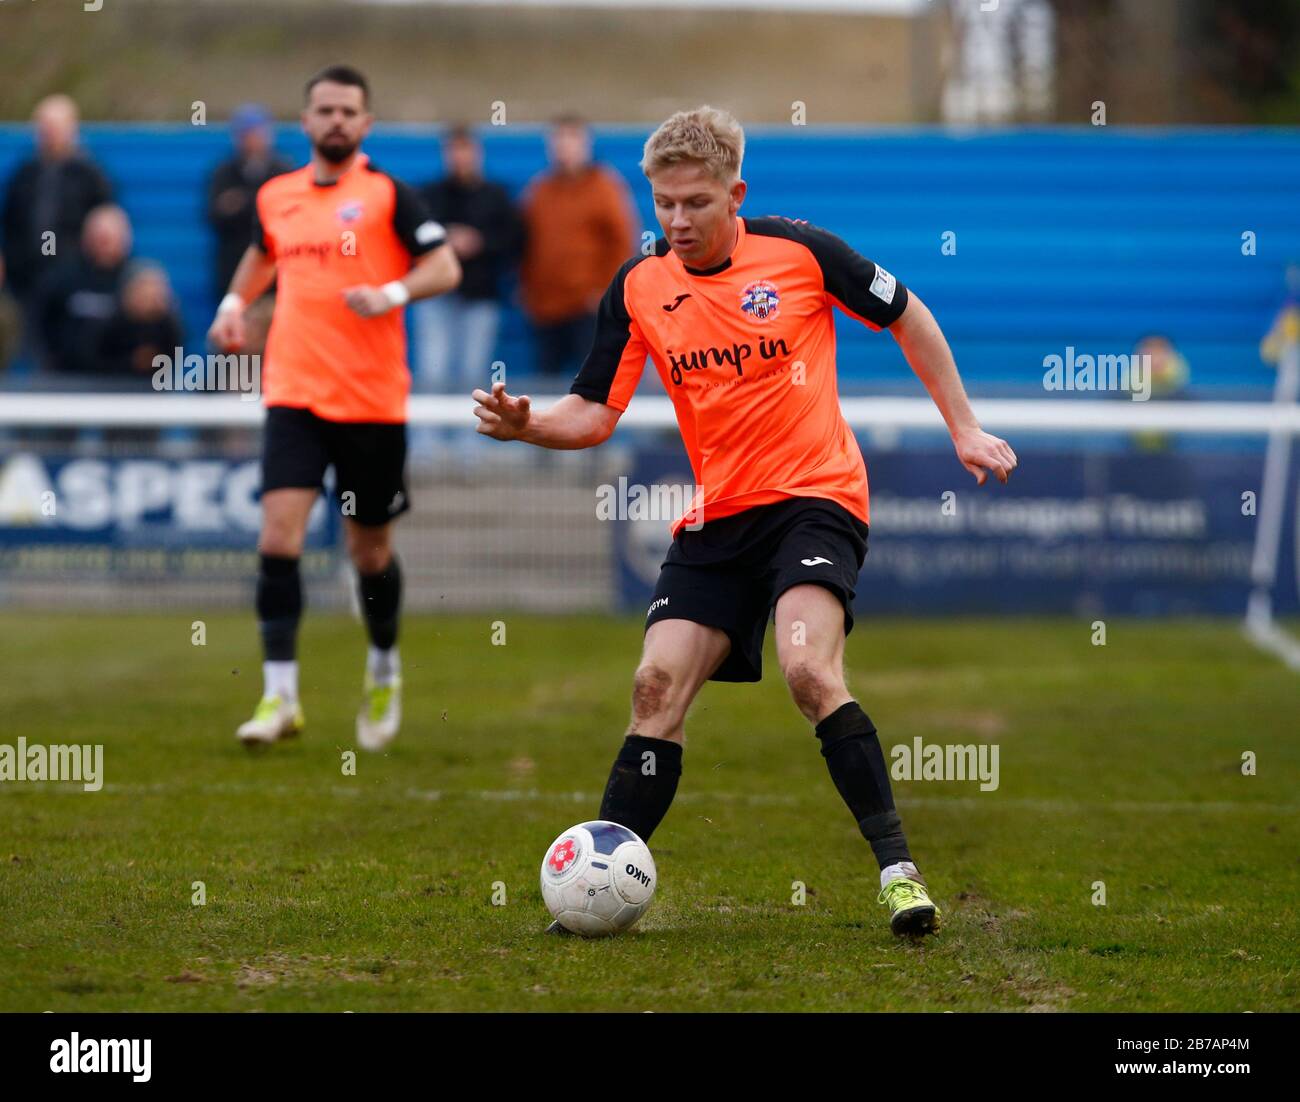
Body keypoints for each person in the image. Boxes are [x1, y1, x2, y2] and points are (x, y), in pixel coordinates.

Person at [473, 106, 1018, 938]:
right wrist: (528, 424)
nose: (678, 222)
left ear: (736, 193)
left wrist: (964, 427)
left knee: (808, 674)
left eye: (695, 203)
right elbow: (592, 412)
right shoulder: (639, 287)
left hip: (816, 497)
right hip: (719, 514)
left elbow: (910, 314)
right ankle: (599, 880)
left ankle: (900, 874)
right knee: (654, 688)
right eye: (664, 205)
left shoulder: (802, 254)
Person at [207, 65, 461, 750]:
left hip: (371, 401)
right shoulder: (278, 195)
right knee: (277, 537)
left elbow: (445, 267)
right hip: (293, 392)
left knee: (368, 550)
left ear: (366, 124)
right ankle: (279, 696)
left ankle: (383, 663)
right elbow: (263, 255)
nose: (337, 121)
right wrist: (234, 304)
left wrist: (393, 294)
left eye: (349, 111)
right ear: (306, 120)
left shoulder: (387, 195)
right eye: (325, 110)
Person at [518, 113, 637, 381]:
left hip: (588, 308)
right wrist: (528, 289)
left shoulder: (604, 187)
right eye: (558, 141)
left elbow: (621, 241)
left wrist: (605, 292)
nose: (564, 148)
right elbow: (526, 243)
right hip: (546, 308)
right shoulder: (540, 190)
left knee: (592, 382)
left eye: (571, 140)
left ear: (586, 144)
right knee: (545, 385)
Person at [414, 124, 522, 394]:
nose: (460, 157)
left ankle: (471, 435)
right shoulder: (430, 194)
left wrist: (479, 242)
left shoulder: (496, 195)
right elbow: (413, 235)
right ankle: (428, 436)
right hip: (436, 294)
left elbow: (513, 239)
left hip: (480, 295)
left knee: (473, 371)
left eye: (466, 150)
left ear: (477, 153)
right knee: (433, 368)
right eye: (454, 151)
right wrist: (446, 238)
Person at [0, 94, 113, 311]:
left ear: (72, 129)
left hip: (73, 279)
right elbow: (9, 222)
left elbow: (105, 222)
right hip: (26, 279)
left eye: (55, 127)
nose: (49, 134)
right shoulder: (25, 173)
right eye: (44, 127)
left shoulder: (90, 175)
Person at [206, 104, 293, 302]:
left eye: (258, 133)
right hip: (233, 270)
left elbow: (287, 216)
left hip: (276, 275)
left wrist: (241, 202)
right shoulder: (223, 172)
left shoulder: (283, 169)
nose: (253, 140)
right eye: (247, 134)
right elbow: (215, 215)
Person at [34, 204, 132, 376]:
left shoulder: (137, 283)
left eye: (109, 240)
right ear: (86, 238)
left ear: (124, 240)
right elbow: (41, 324)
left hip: (124, 385)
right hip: (67, 381)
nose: (104, 246)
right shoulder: (62, 278)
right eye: (99, 239)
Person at [98, 261, 184, 380]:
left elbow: (174, 355)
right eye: (144, 288)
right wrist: (130, 362)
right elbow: (96, 360)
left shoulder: (167, 324)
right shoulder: (110, 321)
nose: (150, 295)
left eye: (156, 290)